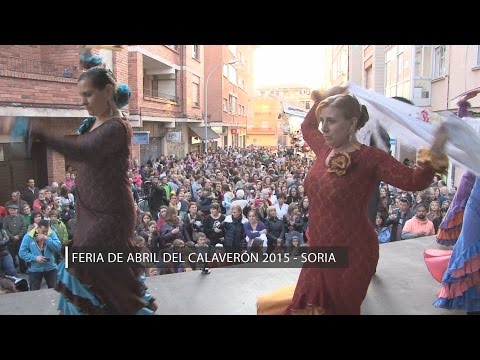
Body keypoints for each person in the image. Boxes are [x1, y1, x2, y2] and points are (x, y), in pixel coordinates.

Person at [257, 88, 448, 315]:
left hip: (353, 253)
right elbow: (307, 127)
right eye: (323, 120)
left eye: (331, 121)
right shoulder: (323, 147)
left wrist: (435, 149)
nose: (324, 128)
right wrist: (323, 97)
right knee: (307, 306)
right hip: (319, 251)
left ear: (352, 123)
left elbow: (414, 181)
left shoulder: (371, 159)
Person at [30, 48, 157, 314]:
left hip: (110, 212)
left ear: (108, 91)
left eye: (88, 95)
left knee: (90, 262)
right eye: (82, 95)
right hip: (89, 210)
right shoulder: (95, 121)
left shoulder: (117, 127)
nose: (83, 101)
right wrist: (91, 64)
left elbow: (81, 151)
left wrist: (37, 132)